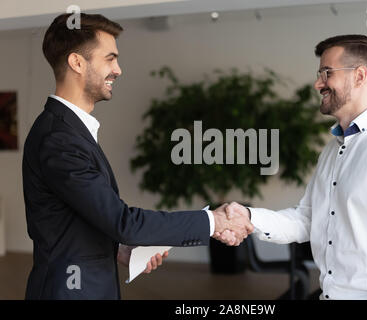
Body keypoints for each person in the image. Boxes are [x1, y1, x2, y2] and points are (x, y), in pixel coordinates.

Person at [22, 13, 252, 300]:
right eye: (109, 58)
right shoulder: (59, 138)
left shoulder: (68, 130)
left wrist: (119, 248)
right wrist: (213, 221)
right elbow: (123, 222)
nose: (118, 69)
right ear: (77, 63)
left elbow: (76, 218)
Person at [217, 34, 367, 300]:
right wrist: (249, 217)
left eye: (327, 73)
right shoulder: (333, 150)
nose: (317, 83)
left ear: (359, 76)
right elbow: (306, 219)